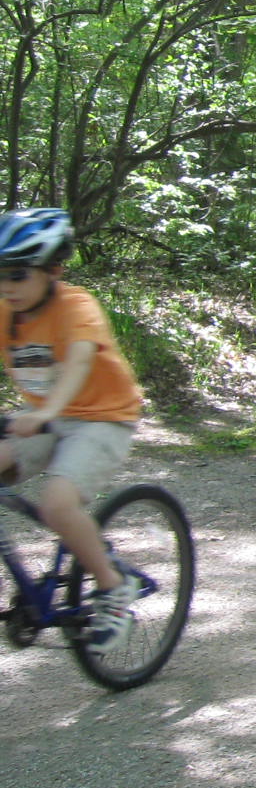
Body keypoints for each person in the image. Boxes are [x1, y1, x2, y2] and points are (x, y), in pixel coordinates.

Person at [0, 208, 145, 653]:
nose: (7, 286)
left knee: (56, 506)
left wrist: (46, 414)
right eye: (0, 275)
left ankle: (112, 587)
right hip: (44, 415)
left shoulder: (76, 307)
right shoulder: (6, 310)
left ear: (54, 270)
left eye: (19, 274)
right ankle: (87, 547)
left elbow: (80, 361)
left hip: (103, 417)